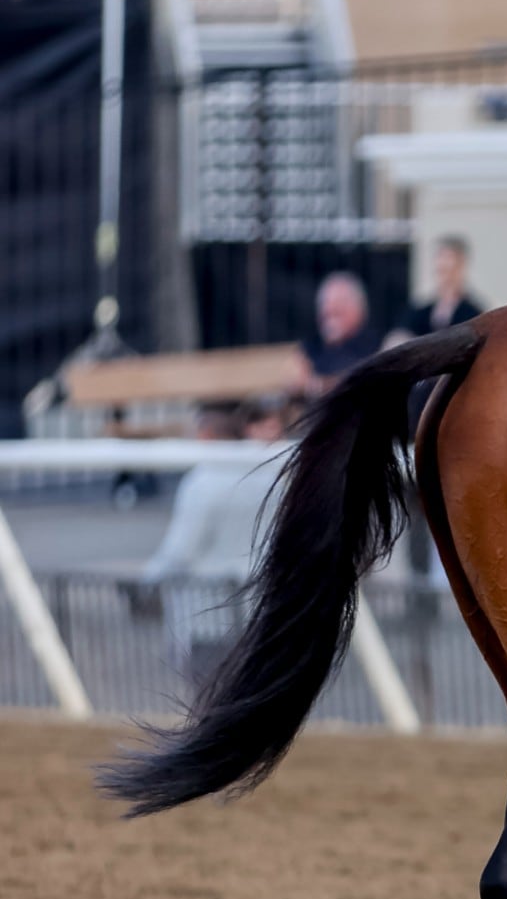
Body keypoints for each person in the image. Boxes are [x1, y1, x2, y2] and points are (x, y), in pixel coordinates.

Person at [139, 399, 289, 688]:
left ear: (205, 434)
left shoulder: (203, 481)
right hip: (259, 603)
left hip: (207, 612)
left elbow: (181, 549)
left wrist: (149, 579)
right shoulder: (269, 472)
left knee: (210, 699)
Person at [293, 272, 381, 396]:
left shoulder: (371, 344)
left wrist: (317, 384)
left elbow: (359, 379)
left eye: (340, 304)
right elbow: (295, 376)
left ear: (359, 309)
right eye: (324, 304)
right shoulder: (312, 346)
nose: (330, 309)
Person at [402, 236, 484, 339]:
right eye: (441, 271)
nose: (444, 278)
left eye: (449, 270)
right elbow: (401, 335)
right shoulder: (421, 312)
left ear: (461, 266)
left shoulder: (473, 313)